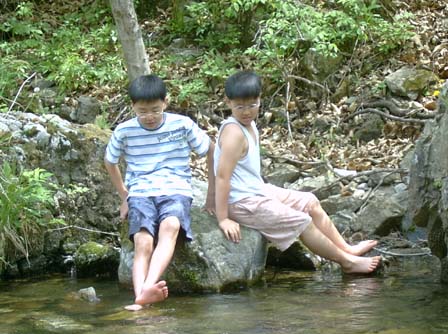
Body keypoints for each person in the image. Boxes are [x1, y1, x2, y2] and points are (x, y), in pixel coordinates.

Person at [214, 70, 381, 274]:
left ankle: (347, 248)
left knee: (310, 201)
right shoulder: (234, 133)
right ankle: (347, 262)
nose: (247, 112)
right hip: (241, 202)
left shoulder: (249, 124)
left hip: (256, 190)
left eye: (252, 105)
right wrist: (223, 218)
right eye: (240, 107)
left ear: (259, 99)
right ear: (228, 102)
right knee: (302, 221)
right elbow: (222, 176)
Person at [104, 74, 215, 311]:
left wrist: (212, 194)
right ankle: (141, 296)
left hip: (175, 188)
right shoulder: (124, 131)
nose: (149, 117)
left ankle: (145, 291)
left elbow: (210, 150)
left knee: (170, 226)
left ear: (165, 102)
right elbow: (110, 162)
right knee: (143, 241)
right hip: (141, 192)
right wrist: (124, 195)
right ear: (132, 106)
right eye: (142, 111)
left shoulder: (182, 125)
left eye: (155, 110)